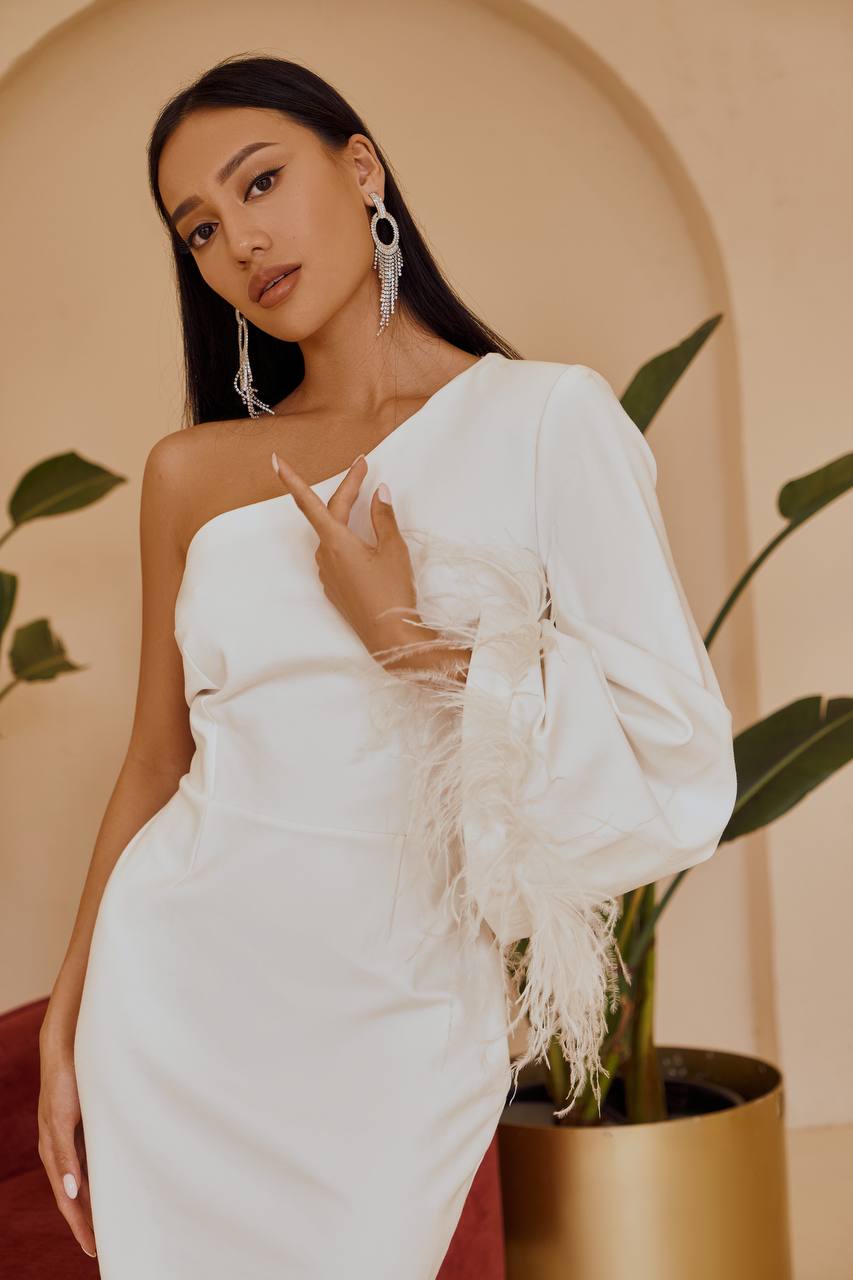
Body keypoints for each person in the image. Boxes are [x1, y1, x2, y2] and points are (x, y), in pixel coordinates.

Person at [36, 54, 738, 1278]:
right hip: (177, 999)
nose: (240, 241)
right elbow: (157, 757)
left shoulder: (548, 421)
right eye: (199, 228)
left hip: (401, 1017)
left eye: (261, 182)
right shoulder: (189, 473)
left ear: (359, 166)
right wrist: (69, 1018)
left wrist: (415, 642)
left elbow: (679, 756)